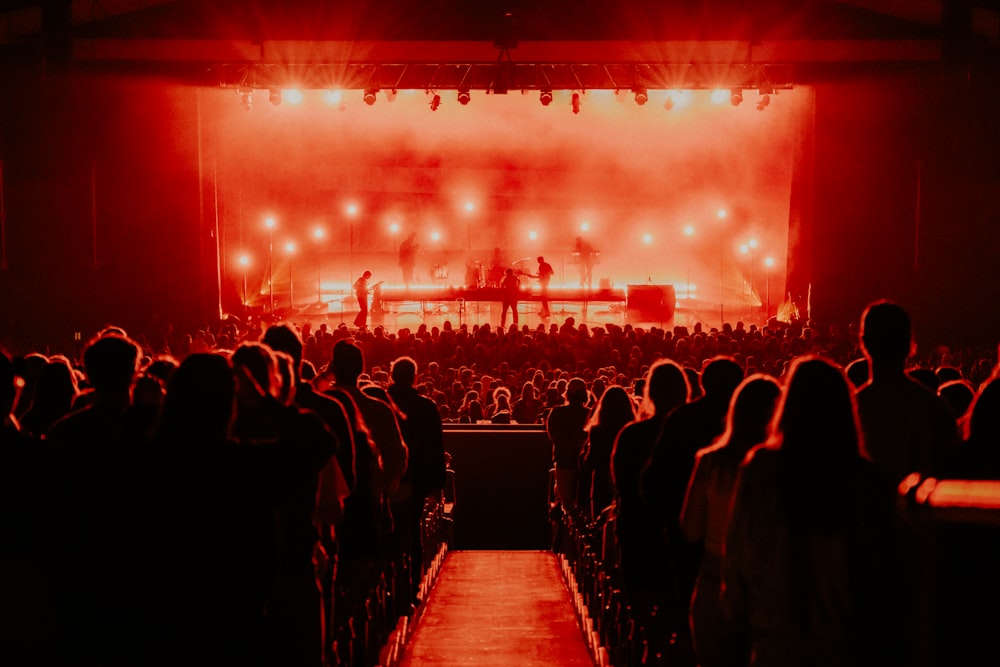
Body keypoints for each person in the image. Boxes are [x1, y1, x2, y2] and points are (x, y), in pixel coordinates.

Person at [722, 357, 902, 667]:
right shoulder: (864, 477)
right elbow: (880, 562)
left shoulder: (762, 467)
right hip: (842, 638)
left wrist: (739, 611)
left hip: (773, 634)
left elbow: (739, 547)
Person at [680, 375, 781, 667]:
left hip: (716, 580)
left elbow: (690, 528)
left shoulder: (710, 461)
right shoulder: (785, 468)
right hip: (768, 589)